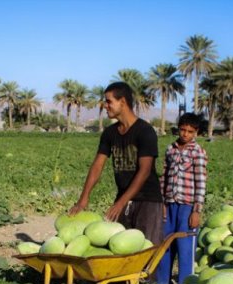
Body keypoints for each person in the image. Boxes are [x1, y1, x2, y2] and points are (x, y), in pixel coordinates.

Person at [70, 82, 164, 246]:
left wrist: (120, 203)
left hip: (147, 201)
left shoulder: (144, 131)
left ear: (123, 101)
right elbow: (97, 166)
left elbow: (145, 171)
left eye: (108, 101)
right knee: (121, 251)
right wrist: (83, 199)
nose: (105, 106)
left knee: (146, 253)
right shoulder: (110, 133)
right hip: (123, 199)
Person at [156, 113, 207, 284]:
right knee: (166, 244)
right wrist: (162, 202)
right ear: (178, 129)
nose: (185, 134)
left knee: (185, 247)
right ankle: (162, 283)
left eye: (190, 131)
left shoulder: (197, 152)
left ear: (196, 132)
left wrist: (196, 210)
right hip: (170, 204)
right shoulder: (170, 149)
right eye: (183, 130)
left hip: (187, 206)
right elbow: (164, 177)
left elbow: (200, 182)